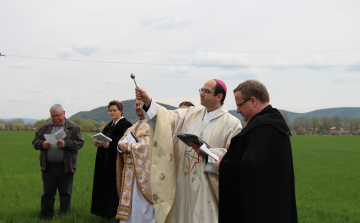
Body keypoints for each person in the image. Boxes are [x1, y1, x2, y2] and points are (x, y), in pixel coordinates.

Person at [135, 79, 242, 223]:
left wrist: (208, 153)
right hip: (183, 181)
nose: (201, 94)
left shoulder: (232, 123)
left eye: (206, 91)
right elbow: (165, 118)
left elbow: (234, 156)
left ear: (219, 97)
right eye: (201, 90)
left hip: (208, 187)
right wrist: (148, 102)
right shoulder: (190, 113)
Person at [216, 80, 298, 222]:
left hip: (260, 212)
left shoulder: (263, 127)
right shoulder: (273, 122)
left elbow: (252, 165)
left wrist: (223, 164)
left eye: (240, 105)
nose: (238, 110)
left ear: (253, 101)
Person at [32, 104, 84, 220]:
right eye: (53, 116)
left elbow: (80, 143)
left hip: (66, 166)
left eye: (58, 115)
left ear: (64, 113)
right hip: (48, 167)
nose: (55, 118)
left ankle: (64, 216)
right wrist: (42, 144)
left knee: (65, 193)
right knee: (48, 194)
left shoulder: (73, 127)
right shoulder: (45, 128)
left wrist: (66, 144)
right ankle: (46, 217)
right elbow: (35, 142)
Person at [115, 99, 156, 223]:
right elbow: (121, 141)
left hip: (143, 173)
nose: (138, 107)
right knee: (131, 205)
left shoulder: (152, 125)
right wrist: (120, 146)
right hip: (129, 173)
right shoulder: (133, 126)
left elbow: (147, 147)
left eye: (141, 105)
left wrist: (128, 147)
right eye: (136, 105)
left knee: (142, 206)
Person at [91, 101, 132, 219]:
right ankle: (104, 212)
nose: (112, 112)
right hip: (104, 161)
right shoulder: (109, 125)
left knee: (114, 187)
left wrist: (111, 146)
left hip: (116, 162)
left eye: (114, 110)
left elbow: (126, 144)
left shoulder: (126, 126)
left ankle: (113, 213)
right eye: (110, 110)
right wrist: (98, 142)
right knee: (104, 186)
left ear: (121, 111)